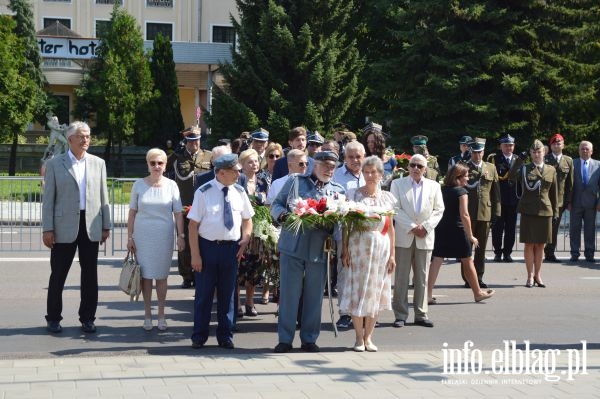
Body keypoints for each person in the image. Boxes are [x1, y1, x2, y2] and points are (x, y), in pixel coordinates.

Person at [270, 151, 345, 353]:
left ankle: (309, 338)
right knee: (289, 295)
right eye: (325, 165)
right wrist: (283, 216)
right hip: (293, 246)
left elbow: (340, 221)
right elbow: (276, 205)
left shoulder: (337, 191)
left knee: (314, 297)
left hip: (319, 249)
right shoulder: (296, 182)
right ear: (315, 164)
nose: (329, 170)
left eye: (333, 167)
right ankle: (285, 339)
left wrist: (335, 225)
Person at [42, 121, 111, 334]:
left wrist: (106, 225)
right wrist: (48, 228)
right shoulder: (55, 164)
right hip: (63, 226)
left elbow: (103, 196)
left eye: (88, 136)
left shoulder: (98, 163)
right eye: (81, 136)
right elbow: (48, 200)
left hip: (91, 224)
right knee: (58, 274)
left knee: (90, 275)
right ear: (70, 139)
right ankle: (53, 318)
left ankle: (88, 318)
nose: (85, 140)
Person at [188, 154, 254, 349]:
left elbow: (247, 219)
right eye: (234, 171)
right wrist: (195, 255)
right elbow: (193, 226)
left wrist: (246, 237)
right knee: (204, 294)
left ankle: (225, 335)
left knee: (228, 294)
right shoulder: (204, 191)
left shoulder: (239, 191)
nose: (238, 174)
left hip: (231, 249)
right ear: (221, 172)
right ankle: (199, 336)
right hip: (208, 247)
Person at [339, 156, 396, 352]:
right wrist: (344, 249)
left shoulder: (387, 198)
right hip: (358, 246)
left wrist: (393, 255)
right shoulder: (354, 195)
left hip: (381, 248)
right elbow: (346, 225)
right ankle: (358, 338)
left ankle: (369, 337)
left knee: (374, 291)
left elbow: (390, 229)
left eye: (374, 172)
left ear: (381, 175)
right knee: (357, 290)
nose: (370, 175)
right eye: (367, 172)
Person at [126, 149, 185, 331]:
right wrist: (130, 237)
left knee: (161, 276)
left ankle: (161, 314)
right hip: (143, 237)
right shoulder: (138, 185)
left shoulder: (172, 185)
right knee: (145, 276)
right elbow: (132, 213)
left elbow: (178, 213)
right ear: (148, 164)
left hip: (163, 236)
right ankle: (147, 314)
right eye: (153, 163)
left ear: (165, 165)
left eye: (160, 163)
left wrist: (181, 236)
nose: (156, 166)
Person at [427, 163, 496, 303]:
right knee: (468, 260)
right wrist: (470, 235)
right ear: (457, 177)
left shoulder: (442, 190)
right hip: (458, 230)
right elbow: (464, 214)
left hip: (442, 228)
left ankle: (427, 295)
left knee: (437, 260)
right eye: (465, 176)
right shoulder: (462, 192)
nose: (468, 178)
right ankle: (478, 293)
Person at [390, 154, 444, 328]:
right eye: (413, 165)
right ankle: (400, 314)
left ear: (425, 169)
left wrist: (425, 227)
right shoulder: (397, 184)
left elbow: (439, 210)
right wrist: (413, 226)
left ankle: (421, 314)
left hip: (425, 236)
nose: (415, 168)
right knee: (401, 278)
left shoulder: (434, 186)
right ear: (408, 167)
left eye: (420, 166)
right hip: (404, 235)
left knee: (422, 277)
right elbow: (394, 208)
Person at [167, 126, 212, 289]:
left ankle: (201, 272)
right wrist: (175, 155)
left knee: (203, 241)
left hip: (205, 207)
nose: (195, 143)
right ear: (186, 141)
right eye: (191, 141)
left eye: (197, 140)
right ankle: (187, 275)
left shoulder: (208, 156)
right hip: (185, 205)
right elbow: (163, 165)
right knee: (184, 241)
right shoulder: (179, 156)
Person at [509, 140, 558, 286]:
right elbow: (511, 176)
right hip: (528, 210)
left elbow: (554, 194)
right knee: (529, 244)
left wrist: (555, 213)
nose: (537, 154)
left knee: (541, 245)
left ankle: (538, 275)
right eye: (534, 152)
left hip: (545, 210)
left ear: (544, 153)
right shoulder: (524, 168)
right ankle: (529, 276)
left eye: (539, 152)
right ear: (530, 154)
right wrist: (519, 160)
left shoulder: (551, 170)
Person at [332, 140, 367, 329]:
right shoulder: (337, 176)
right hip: (343, 233)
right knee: (345, 272)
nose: (355, 160)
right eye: (351, 157)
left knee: (364, 274)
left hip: (367, 234)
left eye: (358, 157)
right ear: (344, 158)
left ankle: (362, 313)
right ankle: (344, 313)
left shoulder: (370, 174)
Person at [459, 138, 500, 288]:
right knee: (467, 248)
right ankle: (467, 278)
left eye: (480, 152)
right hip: (468, 213)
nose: (478, 155)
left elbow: (496, 192)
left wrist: (497, 212)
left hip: (485, 212)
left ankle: (479, 277)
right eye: (475, 152)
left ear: (484, 152)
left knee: (481, 249)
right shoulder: (464, 167)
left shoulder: (491, 168)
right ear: (471, 152)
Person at [236, 149, 267, 317]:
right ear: (242, 164)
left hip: (258, 233)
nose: (254, 164)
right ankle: (237, 303)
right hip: (241, 231)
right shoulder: (238, 181)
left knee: (255, 268)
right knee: (240, 268)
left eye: (256, 161)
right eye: (250, 162)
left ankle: (250, 302)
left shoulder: (263, 181)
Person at [543, 133, 574, 262]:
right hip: (546, 200)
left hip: (560, 201)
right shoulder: (545, 159)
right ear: (551, 145)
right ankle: (538, 252)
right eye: (554, 143)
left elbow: (570, 183)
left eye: (559, 143)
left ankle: (550, 253)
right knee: (543, 227)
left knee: (554, 228)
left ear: (563, 145)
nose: (557, 145)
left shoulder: (568, 160)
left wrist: (568, 200)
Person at [488, 134, 519, 263]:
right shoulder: (494, 159)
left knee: (511, 229)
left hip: (513, 200)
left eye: (511, 145)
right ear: (501, 146)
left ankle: (507, 253)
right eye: (506, 145)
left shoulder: (518, 159)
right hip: (499, 199)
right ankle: (497, 252)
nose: (509, 148)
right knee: (497, 228)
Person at [568, 141, 600, 263]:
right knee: (574, 229)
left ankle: (590, 253)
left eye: (587, 149)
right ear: (578, 150)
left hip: (591, 203)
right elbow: (569, 185)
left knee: (590, 230)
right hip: (575, 203)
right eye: (582, 149)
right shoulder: (573, 163)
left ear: (591, 151)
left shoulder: (598, 165)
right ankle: (574, 253)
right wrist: (568, 202)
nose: (584, 151)